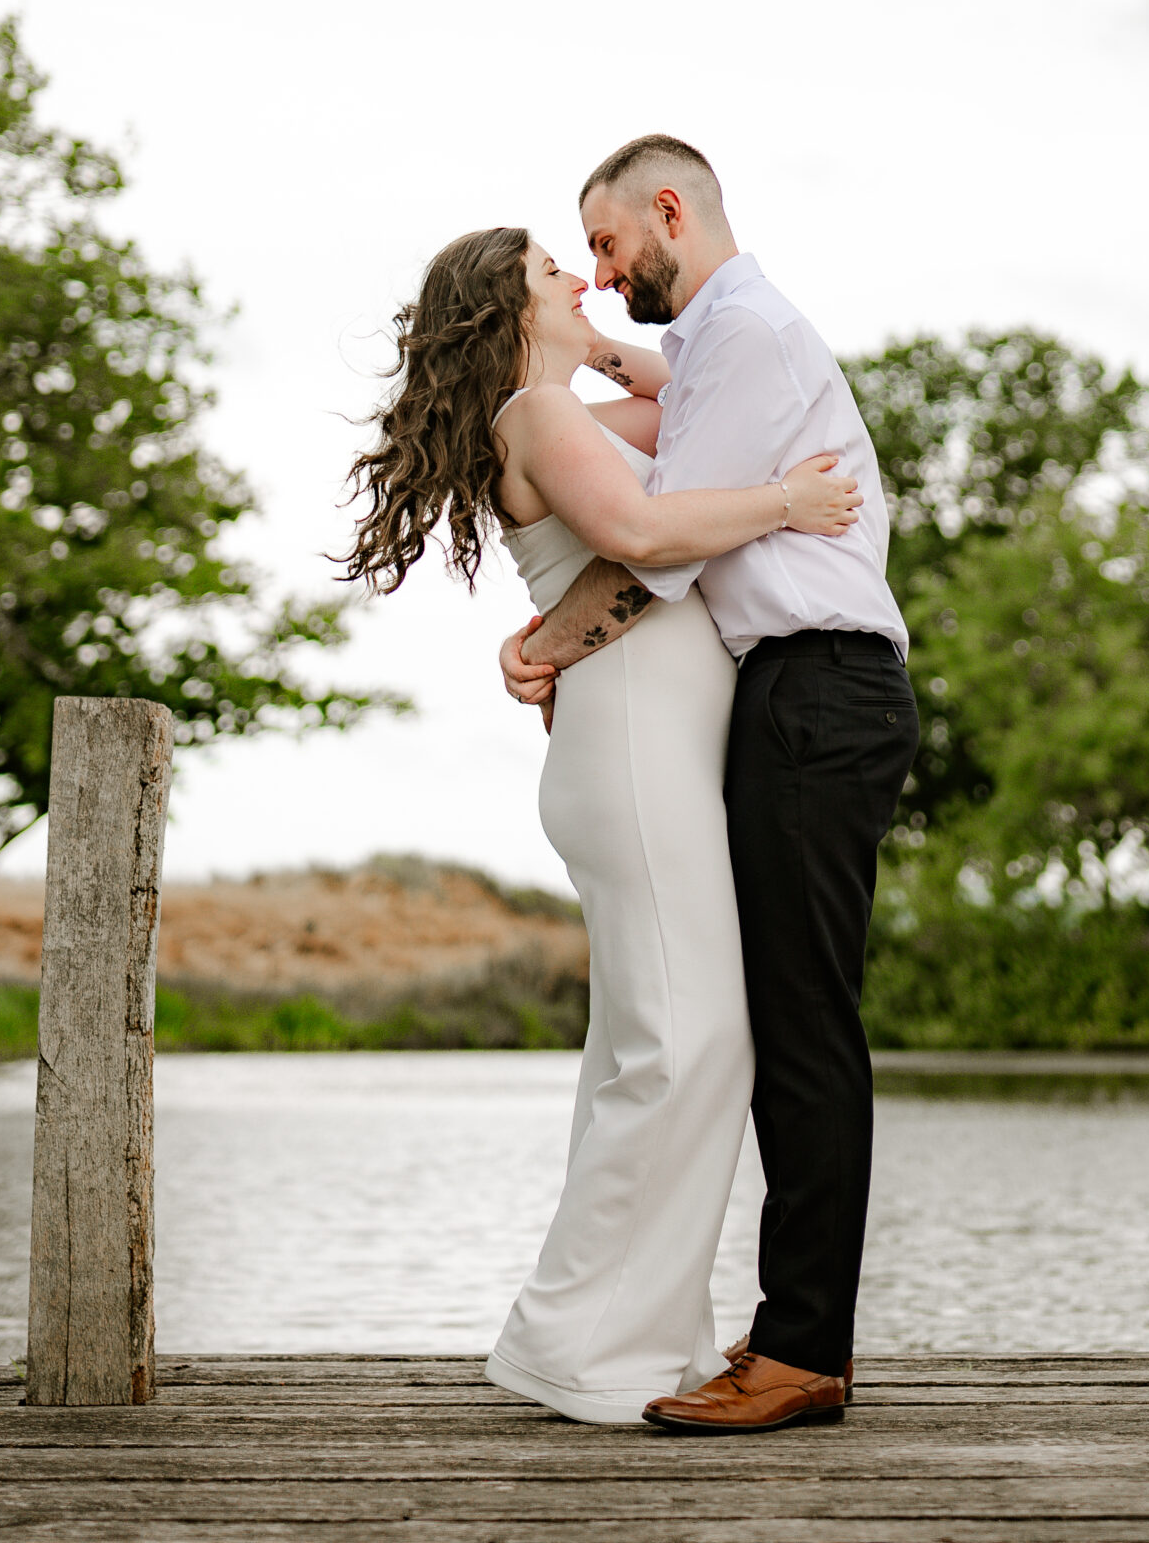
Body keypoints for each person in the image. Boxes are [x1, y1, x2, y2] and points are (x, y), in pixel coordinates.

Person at [343, 223, 860, 1425]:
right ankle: (585, 1346)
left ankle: (623, 1335)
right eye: (549, 273)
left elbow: (711, 397)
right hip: (628, 751)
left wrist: (610, 347)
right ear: (506, 314)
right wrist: (787, 500)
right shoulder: (537, 418)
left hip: (649, 752)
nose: (584, 277)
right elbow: (640, 539)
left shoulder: (559, 412)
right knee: (689, 1046)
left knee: (662, 1046)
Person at [500, 136, 920, 1436]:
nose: (603, 271)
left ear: (668, 207)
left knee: (799, 1023)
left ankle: (800, 1350)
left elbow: (661, 551)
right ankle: (792, 1332)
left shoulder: (743, 335)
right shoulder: (725, 342)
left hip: (816, 689)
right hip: (786, 697)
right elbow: (652, 391)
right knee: (780, 1018)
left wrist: (539, 646)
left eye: (613, 244)